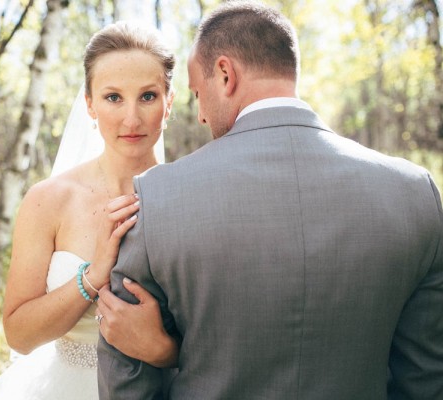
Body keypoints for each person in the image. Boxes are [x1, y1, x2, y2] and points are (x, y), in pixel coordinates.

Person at [96, 1, 443, 399]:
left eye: (197, 93)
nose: (202, 116)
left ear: (225, 74)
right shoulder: (415, 192)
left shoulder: (157, 196)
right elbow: (426, 378)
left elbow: (127, 374)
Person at [0, 21, 178, 399]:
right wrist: (92, 277)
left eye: (148, 97)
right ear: (89, 103)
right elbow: (19, 336)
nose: (131, 119)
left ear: (169, 103)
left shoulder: (193, 199)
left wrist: (164, 351)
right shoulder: (48, 200)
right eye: (113, 97)